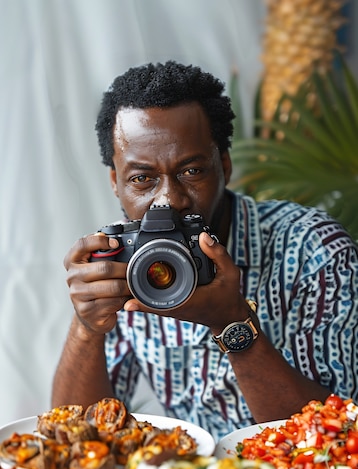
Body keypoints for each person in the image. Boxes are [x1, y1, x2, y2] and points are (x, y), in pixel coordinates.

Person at [51, 60, 358, 441]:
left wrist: (232, 323)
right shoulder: (123, 263)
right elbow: (77, 439)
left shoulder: (315, 251)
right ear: (116, 182)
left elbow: (344, 438)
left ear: (224, 166)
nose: (169, 200)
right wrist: (86, 329)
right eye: (142, 178)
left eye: (191, 171)